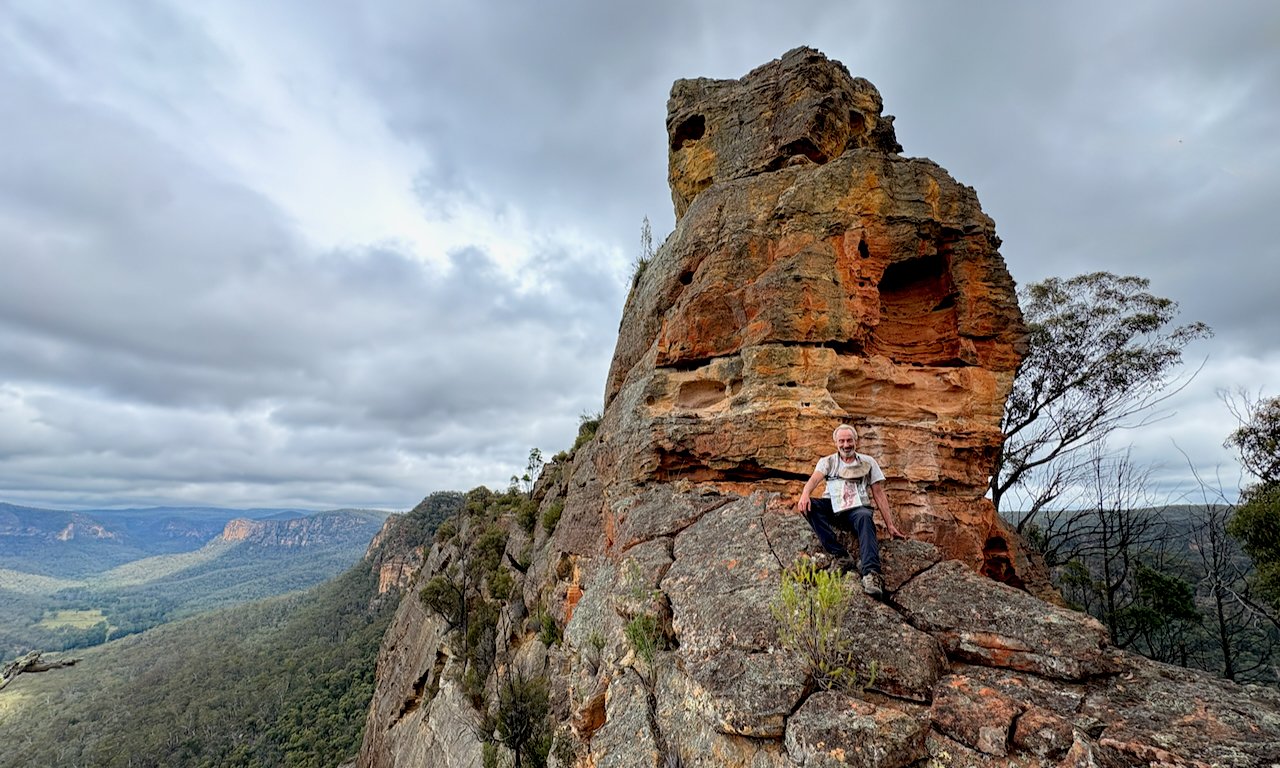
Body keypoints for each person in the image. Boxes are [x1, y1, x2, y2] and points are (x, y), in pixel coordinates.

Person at [795, 424, 904, 597]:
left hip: (857, 509)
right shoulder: (828, 462)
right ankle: (841, 555)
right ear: (836, 443)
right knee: (809, 507)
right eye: (842, 441)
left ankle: (871, 573)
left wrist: (890, 525)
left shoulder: (868, 462)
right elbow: (814, 479)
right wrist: (805, 494)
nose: (846, 445)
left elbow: (878, 493)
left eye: (849, 440)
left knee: (864, 517)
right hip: (833, 506)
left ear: (856, 441)